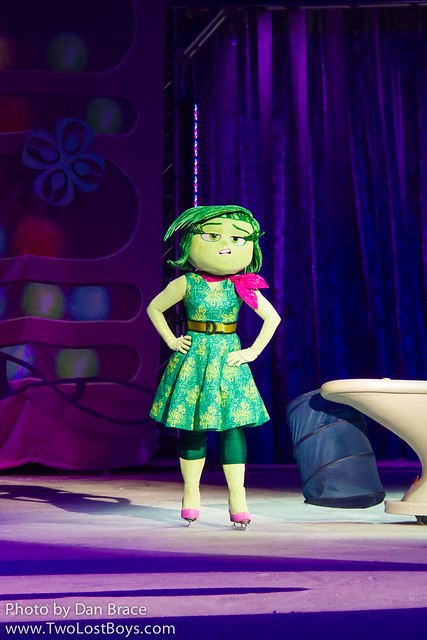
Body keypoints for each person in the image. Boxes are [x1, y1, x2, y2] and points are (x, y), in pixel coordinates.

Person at [147, 205, 280, 529]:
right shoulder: (187, 282)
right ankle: (191, 493)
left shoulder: (242, 285)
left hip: (227, 357)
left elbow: (272, 318)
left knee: (232, 426)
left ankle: (238, 497)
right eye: (212, 236)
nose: (225, 246)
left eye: (236, 239)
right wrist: (171, 340)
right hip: (193, 358)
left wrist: (252, 352)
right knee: (192, 425)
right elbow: (154, 308)